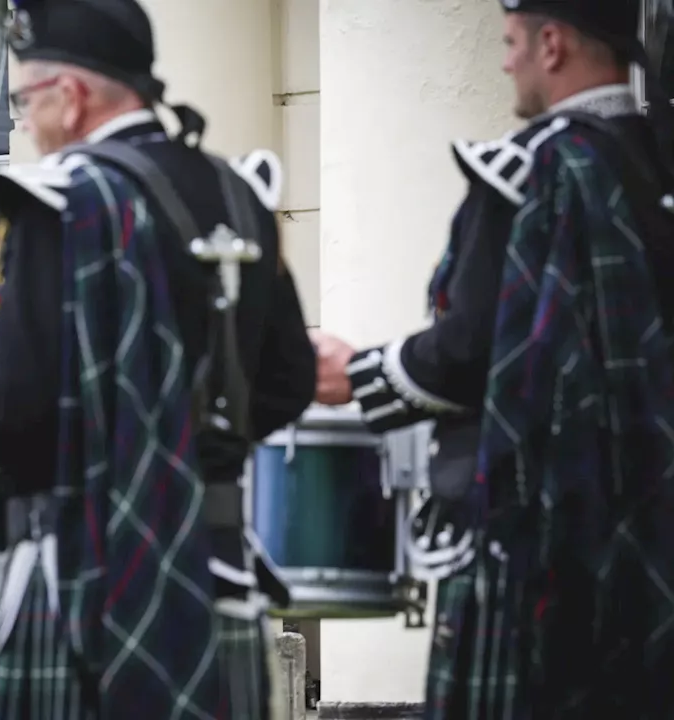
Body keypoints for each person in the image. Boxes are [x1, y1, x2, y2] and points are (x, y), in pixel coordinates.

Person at [0, 0, 315, 716]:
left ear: (74, 95)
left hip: (82, 581)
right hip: (216, 577)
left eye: (24, 101)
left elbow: (10, 402)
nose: (22, 122)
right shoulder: (237, 193)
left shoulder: (61, 203)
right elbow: (287, 385)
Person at [310, 1, 674, 716]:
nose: (504, 60)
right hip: (655, 534)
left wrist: (359, 371)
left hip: (544, 538)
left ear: (553, 42)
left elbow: (469, 349)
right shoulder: (656, 165)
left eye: (510, 43)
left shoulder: (534, 173)